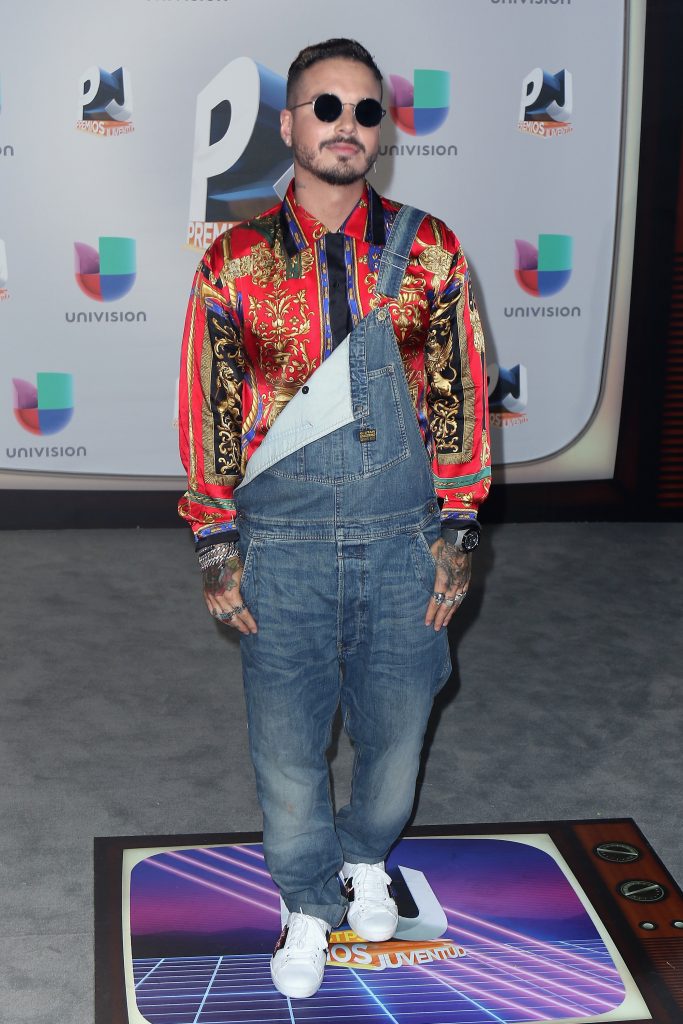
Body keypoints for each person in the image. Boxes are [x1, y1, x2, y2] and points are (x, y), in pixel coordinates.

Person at [178, 37, 490, 999]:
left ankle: (365, 854)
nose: (345, 126)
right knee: (284, 751)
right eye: (325, 107)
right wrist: (214, 540)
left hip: (405, 543)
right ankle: (306, 902)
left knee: (397, 743)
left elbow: (460, 397)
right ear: (289, 125)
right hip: (280, 549)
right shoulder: (231, 261)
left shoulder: (429, 247)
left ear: (381, 129)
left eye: (363, 110)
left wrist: (461, 525)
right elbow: (209, 408)